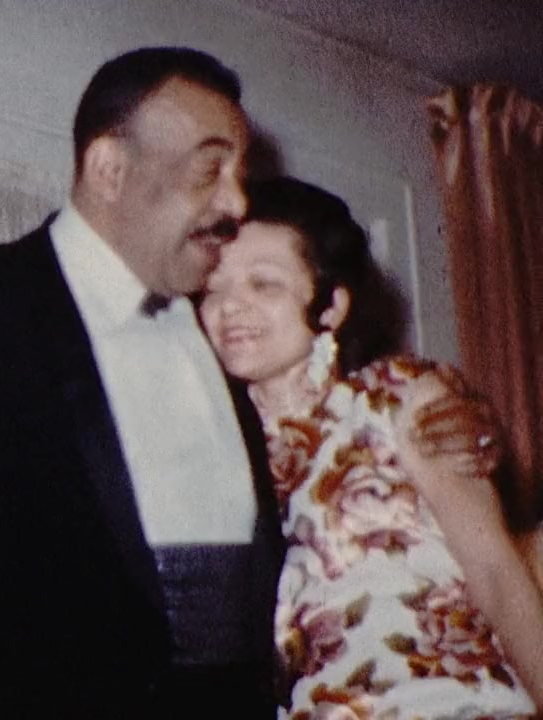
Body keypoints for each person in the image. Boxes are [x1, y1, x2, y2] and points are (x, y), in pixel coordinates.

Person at [0, 47, 498, 718]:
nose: (237, 201)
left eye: (239, 174)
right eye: (211, 170)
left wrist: (469, 430)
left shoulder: (227, 334)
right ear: (109, 169)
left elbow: (333, 434)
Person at [197, 175, 543, 718]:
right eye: (213, 289)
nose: (230, 307)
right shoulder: (212, 453)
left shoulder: (398, 397)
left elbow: (498, 575)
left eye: (263, 284)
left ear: (331, 307)